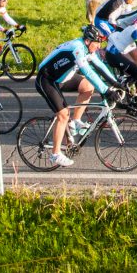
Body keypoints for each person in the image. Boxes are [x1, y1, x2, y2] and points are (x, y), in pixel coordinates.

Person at [35, 24, 123, 167]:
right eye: (97, 43)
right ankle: (55, 154)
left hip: (62, 78)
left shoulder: (88, 48)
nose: (99, 46)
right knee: (63, 115)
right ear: (88, 41)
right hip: (46, 79)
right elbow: (88, 72)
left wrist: (115, 83)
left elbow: (99, 66)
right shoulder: (77, 48)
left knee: (88, 87)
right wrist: (106, 91)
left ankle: (75, 121)